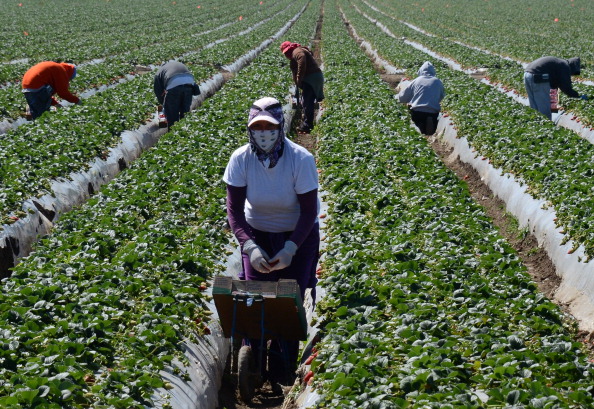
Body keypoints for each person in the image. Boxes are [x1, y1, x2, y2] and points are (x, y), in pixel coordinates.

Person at [223, 96, 320, 389]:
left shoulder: (300, 159)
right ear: (249, 129)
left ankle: (283, 362)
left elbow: (308, 211)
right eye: (258, 127)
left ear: (281, 127)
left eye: (270, 126)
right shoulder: (240, 159)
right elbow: (234, 212)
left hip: (298, 236)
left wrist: (291, 248)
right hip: (257, 233)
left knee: (288, 299)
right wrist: (250, 247)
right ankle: (253, 355)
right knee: (254, 299)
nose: (263, 133)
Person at [280, 41, 324, 133]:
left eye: (286, 52)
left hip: (311, 79)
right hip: (313, 78)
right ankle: (307, 123)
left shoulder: (297, 51)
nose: (287, 55)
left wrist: (299, 77)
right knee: (307, 101)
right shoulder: (297, 52)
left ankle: (307, 125)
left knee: (307, 102)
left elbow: (302, 59)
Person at [397, 61, 445, 135]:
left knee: (417, 125)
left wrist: (399, 99)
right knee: (431, 121)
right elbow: (441, 96)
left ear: (421, 71)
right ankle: (429, 127)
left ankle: (419, 130)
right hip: (433, 112)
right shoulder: (438, 82)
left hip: (418, 111)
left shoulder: (417, 81)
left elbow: (404, 97)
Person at [153, 61, 201, 128]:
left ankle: (173, 133)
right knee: (185, 112)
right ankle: (185, 130)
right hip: (189, 83)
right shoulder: (177, 64)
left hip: (174, 84)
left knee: (172, 114)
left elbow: (158, 91)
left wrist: (163, 104)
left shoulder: (159, 72)